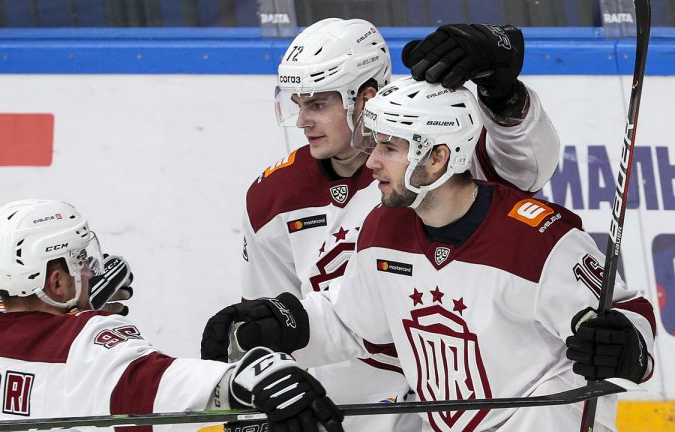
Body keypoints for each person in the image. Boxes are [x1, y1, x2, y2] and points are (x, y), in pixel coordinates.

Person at [202, 78, 657, 431]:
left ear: (438, 157)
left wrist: (626, 345)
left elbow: (625, 310)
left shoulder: (536, 239)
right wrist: (284, 321)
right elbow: (352, 322)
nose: (373, 162)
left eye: (390, 148)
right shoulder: (384, 227)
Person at [203, 20, 562, 432]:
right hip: (347, 410)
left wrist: (504, 96)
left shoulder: (433, 156)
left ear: (365, 97)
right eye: (298, 104)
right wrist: (261, 400)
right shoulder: (272, 198)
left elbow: (528, 167)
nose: (302, 121)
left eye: (318, 104)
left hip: (457, 397)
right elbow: (274, 317)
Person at [0, 199, 344, 432]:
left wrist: (74, 303)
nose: (91, 269)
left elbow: (41, 349)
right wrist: (252, 374)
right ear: (56, 283)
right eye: (81, 263)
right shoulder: (88, 341)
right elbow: (160, 385)